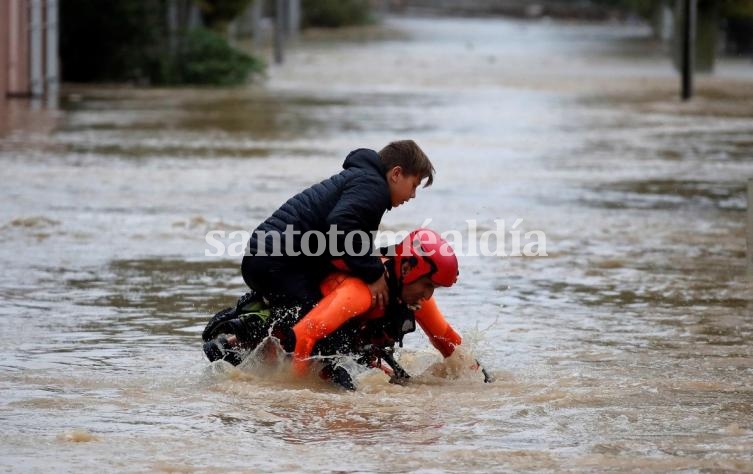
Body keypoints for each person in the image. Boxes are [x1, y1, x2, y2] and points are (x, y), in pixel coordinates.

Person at [204, 229, 491, 389]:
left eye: (434, 289)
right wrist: (299, 391)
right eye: (427, 285)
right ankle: (234, 341)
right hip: (296, 339)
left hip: (341, 345)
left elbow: (447, 340)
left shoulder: (415, 296)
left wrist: (481, 377)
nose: (428, 295)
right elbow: (304, 336)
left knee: (396, 383)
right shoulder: (360, 293)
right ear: (405, 267)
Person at [241, 140, 435, 328]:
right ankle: (239, 341)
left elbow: (351, 240)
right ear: (396, 174)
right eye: (414, 185)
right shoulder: (373, 186)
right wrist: (374, 273)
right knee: (320, 321)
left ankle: (248, 335)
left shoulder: (366, 180)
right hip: (275, 261)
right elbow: (341, 225)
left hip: (273, 258)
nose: (413, 195)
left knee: (323, 310)